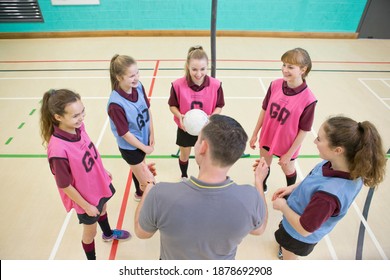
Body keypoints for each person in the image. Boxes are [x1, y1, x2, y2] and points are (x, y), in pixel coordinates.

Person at [134, 114, 268, 260]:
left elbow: (142, 232)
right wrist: (259, 183)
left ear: (203, 147)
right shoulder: (251, 198)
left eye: (198, 140)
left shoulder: (160, 194)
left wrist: (148, 186)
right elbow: (259, 229)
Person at [272, 116, 387, 260]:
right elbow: (313, 178)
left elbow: (304, 229)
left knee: (289, 256)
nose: (315, 141)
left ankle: (287, 254)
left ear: (338, 150)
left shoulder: (328, 197)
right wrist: (293, 188)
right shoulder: (334, 163)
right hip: (295, 217)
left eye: (319, 139)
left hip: (298, 236)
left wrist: (283, 206)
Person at [39, 89, 130, 260]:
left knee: (103, 207)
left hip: (97, 183)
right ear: (58, 117)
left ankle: (108, 234)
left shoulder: (79, 127)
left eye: (82, 112)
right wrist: (86, 206)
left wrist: (101, 171)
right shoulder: (58, 150)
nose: (81, 118)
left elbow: (88, 150)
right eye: (75, 116)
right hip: (84, 197)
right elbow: (64, 185)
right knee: (90, 232)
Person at [250, 47, 317, 193]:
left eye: (290, 67)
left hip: (288, 143)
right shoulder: (275, 85)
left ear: (303, 70)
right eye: (284, 65)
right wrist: (255, 133)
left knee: (288, 169)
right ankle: (263, 186)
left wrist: (289, 153)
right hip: (268, 136)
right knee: (264, 164)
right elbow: (264, 109)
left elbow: (304, 130)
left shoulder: (309, 100)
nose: (285, 70)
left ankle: (290, 191)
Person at [168, 45, 225, 179]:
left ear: (207, 67)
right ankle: (184, 176)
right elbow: (172, 105)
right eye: (194, 69)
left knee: (203, 156)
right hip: (185, 128)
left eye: (203, 69)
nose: (198, 74)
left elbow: (219, 105)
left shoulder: (216, 85)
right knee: (184, 154)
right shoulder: (177, 85)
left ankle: (202, 178)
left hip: (206, 128)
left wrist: (213, 116)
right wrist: (179, 116)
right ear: (187, 66)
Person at [108, 54, 155, 202]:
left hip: (143, 139)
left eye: (137, 73)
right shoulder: (116, 104)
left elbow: (147, 111)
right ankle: (145, 200)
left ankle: (139, 193)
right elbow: (125, 134)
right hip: (131, 148)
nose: (136, 78)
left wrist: (152, 134)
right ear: (119, 77)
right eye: (131, 76)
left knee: (140, 170)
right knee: (148, 182)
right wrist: (144, 147)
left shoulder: (139, 86)